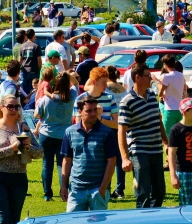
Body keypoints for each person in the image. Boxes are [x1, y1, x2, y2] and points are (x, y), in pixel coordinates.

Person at [0, 94, 42, 224]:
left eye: (17, 107)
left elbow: (40, 153)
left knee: (15, 221)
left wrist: (28, 147)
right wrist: (13, 148)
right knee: (4, 220)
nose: (14, 110)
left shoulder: (23, 128)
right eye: (10, 106)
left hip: (19, 179)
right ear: (1, 108)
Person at [118, 63, 168, 209]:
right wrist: (125, 158)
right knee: (143, 193)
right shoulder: (127, 101)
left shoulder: (152, 95)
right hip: (140, 152)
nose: (151, 79)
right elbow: (121, 131)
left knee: (159, 192)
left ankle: (151, 218)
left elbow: (158, 120)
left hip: (156, 151)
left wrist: (165, 142)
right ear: (137, 78)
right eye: (147, 76)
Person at [59, 96, 117, 212]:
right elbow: (67, 160)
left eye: (95, 110)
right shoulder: (70, 132)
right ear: (80, 112)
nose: (93, 113)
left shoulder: (107, 132)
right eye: (88, 111)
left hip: (97, 189)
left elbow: (111, 161)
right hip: (76, 189)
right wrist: (64, 186)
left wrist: (102, 189)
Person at [75, 68, 123, 200]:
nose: (106, 85)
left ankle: (103, 194)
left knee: (106, 170)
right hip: (86, 144)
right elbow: (77, 126)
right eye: (103, 82)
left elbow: (116, 123)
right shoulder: (80, 100)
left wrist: (100, 118)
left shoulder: (110, 98)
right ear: (94, 82)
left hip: (105, 141)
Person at [34, 71, 76, 201]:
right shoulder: (71, 97)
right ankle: (63, 190)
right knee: (62, 164)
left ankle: (48, 194)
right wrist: (67, 75)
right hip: (64, 135)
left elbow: (36, 115)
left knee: (47, 163)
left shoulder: (46, 99)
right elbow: (76, 83)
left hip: (46, 134)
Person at [155, 55, 185, 136]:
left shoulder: (166, 77)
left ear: (165, 64)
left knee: (168, 136)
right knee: (179, 134)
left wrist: (157, 83)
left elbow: (160, 93)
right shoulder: (181, 75)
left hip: (169, 110)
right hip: (180, 109)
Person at [18, 31, 42, 96]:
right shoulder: (36, 46)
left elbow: (20, 60)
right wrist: (40, 70)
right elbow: (39, 61)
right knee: (34, 90)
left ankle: (25, 103)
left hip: (25, 71)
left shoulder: (22, 46)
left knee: (25, 91)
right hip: (34, 70)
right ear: (33, 35)